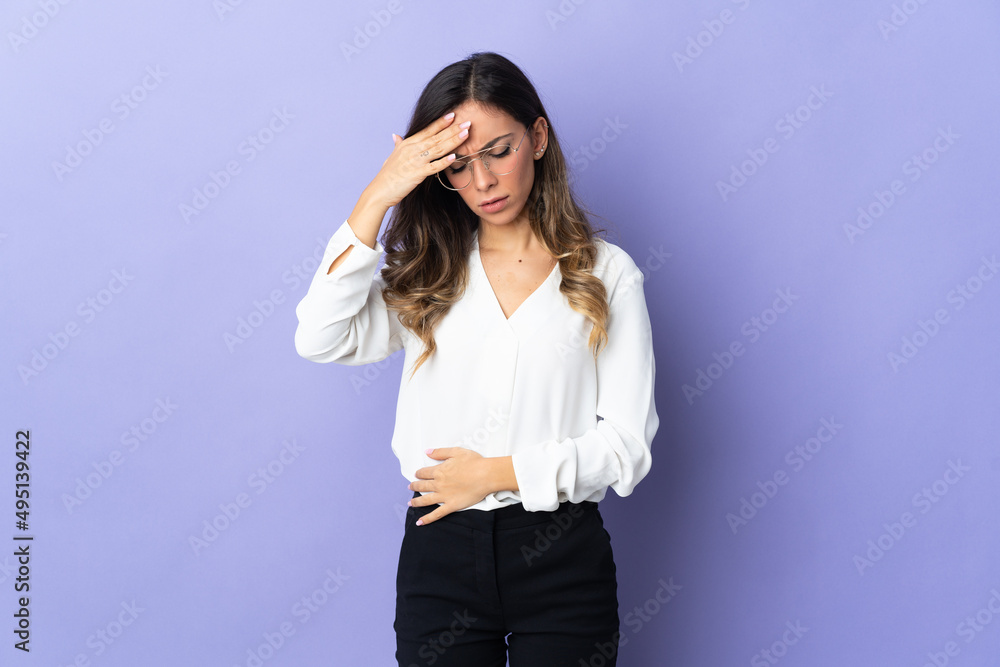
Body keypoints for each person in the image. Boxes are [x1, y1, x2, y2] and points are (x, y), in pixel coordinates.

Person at [293, 51, 658, 667]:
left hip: (561, 552)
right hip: (441, 553)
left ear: (537, 138)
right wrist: (379, 193)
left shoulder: (605, 273)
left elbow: (626, 449)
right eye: (458, 165)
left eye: (499, 150)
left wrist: (496, 472)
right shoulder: (428, 274)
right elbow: (320, 337)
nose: (483, 182)